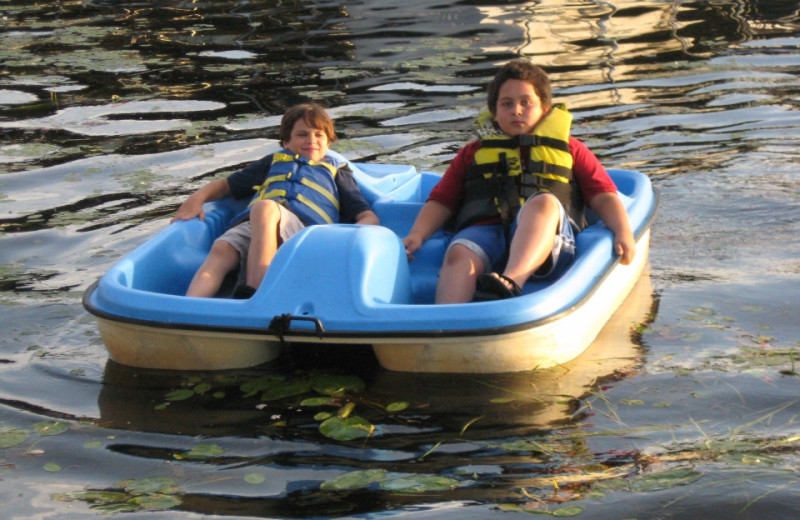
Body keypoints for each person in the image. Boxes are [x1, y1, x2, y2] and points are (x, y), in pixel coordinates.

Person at [402, 59, 635, 303]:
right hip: (487, 233)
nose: (516, 110)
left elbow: (603, 194)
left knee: (543, 201)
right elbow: (442, 200)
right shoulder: (472, 153)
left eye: (526, 102)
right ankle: (446, 323)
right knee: (459, 254)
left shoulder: (570, 148)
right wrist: (417, 235)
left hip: (547, 243)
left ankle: (510, 282)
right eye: (507, 104)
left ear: (545, 108)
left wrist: (623, 231)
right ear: (494, 110)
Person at [173, 102, 379, 298]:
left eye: (319, 135)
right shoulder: (273, 162)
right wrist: (196, 199)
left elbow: (367, 216)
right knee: (222, 249)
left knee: (265, 208)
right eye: (302, 134)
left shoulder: (337, 173)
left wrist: (347, 238)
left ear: (329, 141)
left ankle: (255, 293)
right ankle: (189, 305)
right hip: (256, 224)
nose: (311, 140)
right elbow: (226, 185)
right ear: (286, 143)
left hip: (304, 232)